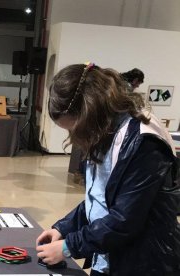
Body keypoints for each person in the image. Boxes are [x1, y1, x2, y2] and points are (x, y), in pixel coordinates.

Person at [36, 63, 180, 276]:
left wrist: (69, 247)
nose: (75, 138)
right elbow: (100, 199)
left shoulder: (143, 141)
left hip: (143, 263)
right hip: (110, 254)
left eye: (75, 128)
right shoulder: (105, 131)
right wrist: (63, 228)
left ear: (89, 111)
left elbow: (124, 219)